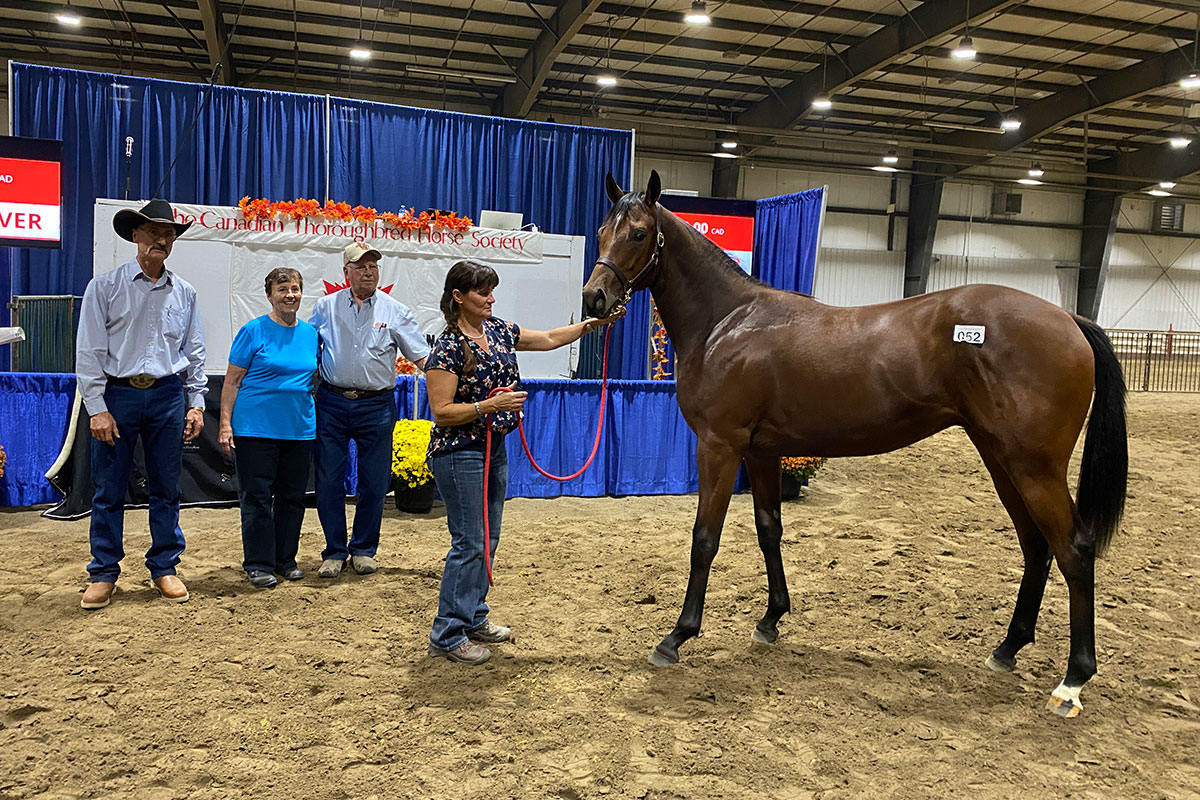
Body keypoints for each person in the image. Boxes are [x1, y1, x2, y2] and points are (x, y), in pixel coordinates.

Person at [425, 259, 623, 665]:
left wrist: (590, 326)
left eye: (492, 290)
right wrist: (489, 405)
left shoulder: (498, 330)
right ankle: (448, 632)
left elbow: (549, 337)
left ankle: (473, 615)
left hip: (493, 448)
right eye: (482, 292)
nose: (491, 298)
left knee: (487, 539)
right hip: (460, 453)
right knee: (470, 543)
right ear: (459, 297)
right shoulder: (446, 346)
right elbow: (442, 411)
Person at [75, 199, 207, 610]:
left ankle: (165, 566)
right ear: (135, 236)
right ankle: (103, 572)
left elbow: (195, 351)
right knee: (108, 488)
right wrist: (96, 406)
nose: (161, 240)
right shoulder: (105, 287)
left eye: (167, 234)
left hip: (168, 395)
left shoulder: (184, 292)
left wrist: (196, 402)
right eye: (153, 232)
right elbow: (89, 352)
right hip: (118, 395)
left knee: (167, 486)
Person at [308, 241, 430, 579]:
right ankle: (334, 551)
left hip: (376, 405)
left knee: (374, 484)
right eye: (360, 266)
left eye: (373, 265)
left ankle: (363, 549)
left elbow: (421, 356)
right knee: (328, 480)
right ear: (345, 272)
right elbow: (306, 349)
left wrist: (450, 374)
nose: (368, 271)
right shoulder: (324, 307)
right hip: (331, 402)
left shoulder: (395, 310)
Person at [218, 268, 319, 588]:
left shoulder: (311, 334)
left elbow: (313, 378)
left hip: (299, 428)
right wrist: (224, 424)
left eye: (295, 288)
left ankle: (285, 560)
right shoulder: (253, 331)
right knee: (257, 498)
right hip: (255, 428)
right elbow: (232, 381)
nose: (290, 295)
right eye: (282, 289)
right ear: (269, 295)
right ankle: (259, 563)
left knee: (292, 498)